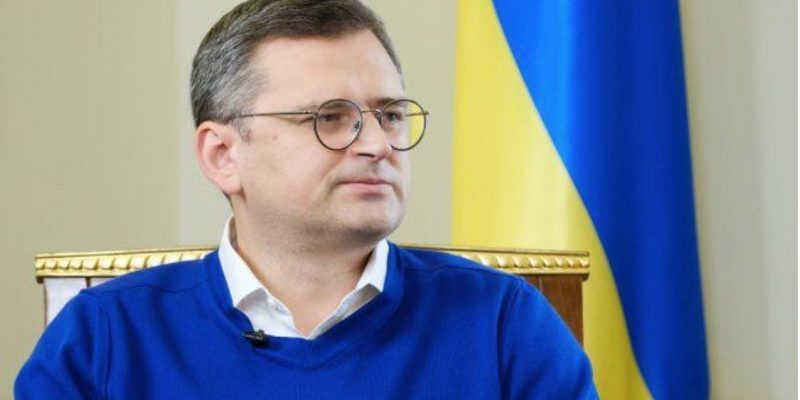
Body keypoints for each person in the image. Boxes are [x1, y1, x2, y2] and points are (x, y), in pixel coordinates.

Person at [15, 0, 597, 398]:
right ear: (222, 154)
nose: (377, 144)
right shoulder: (105, 337)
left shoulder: (503, 323)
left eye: (390, 115)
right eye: (329, 118)